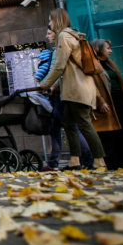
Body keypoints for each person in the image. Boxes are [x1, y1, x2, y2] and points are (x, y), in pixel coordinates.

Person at [38, 8, 108, 170]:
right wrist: (54, 85)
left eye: (51, 20)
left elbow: (59, 66)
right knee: (68, 123)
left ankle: (99, 160)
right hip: (74, 89)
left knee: (84, 124)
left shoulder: (63, 36)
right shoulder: (74, 36)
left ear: (57, 20)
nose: (49, 23)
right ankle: (75, 161)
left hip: (76, 89)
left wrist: (46, 84)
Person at [34, 28, 91, 170]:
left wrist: (48, 85)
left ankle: (85, 160)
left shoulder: (62, 49)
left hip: (62, 94)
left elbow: (59, 70)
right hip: (63, 93)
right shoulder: (68, 48)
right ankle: (78, 161)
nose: (47, 36)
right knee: (65, 128)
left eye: (49, 32)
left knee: (70, 127)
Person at [93, 39, 123, 168]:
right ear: (99, 49)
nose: (110, 51)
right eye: (107, 48)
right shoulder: (94, 65)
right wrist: (100, 100)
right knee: (110, 134)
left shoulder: (110, 64)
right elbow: (93, 85)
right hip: (107, 103)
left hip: (119, 101)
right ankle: (114, 164)